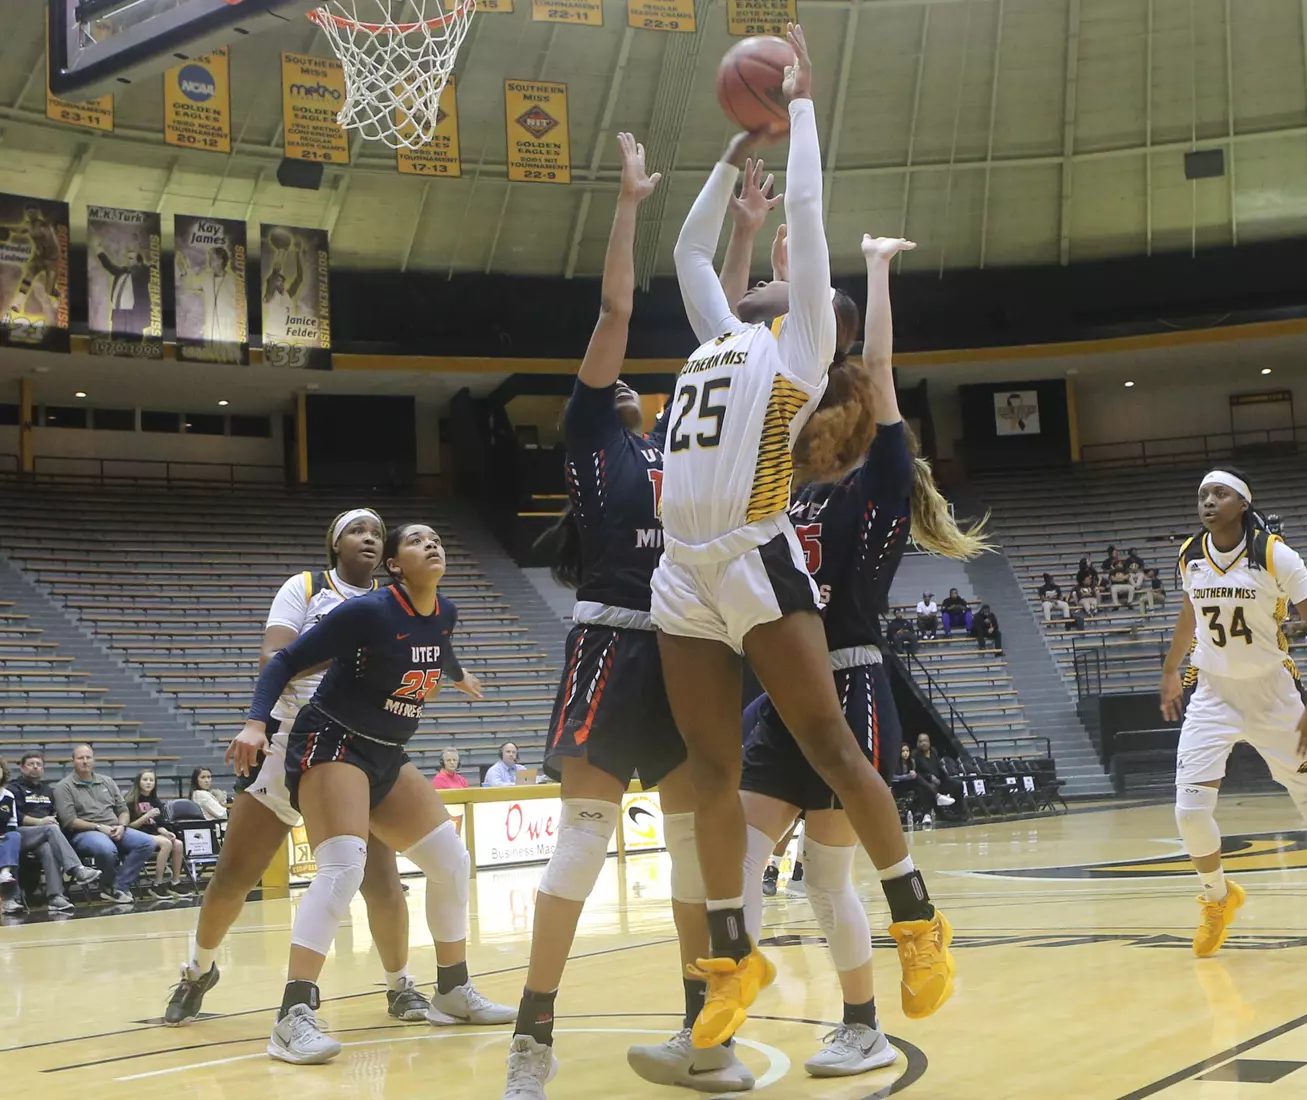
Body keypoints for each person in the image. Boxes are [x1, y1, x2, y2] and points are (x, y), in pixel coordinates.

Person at [652, 24, 952, 1053]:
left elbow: (813, 221)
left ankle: (916, 916)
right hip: (680, 574)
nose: (785, 290)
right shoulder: (719, 337)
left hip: (748, 554)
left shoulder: (798, 353)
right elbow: (690, 251)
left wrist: (806, 110)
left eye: (796, 289)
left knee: (827, 741)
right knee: (707, 769)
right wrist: (736, 151)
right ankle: (733, 955)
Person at [505, 134, 752, 1098]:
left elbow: (724, 332)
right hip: (613, 638)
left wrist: (739, 230)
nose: (635, 382)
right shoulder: (590, 433)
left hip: (691, 643)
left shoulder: (684, 451)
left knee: (697, 848)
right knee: (582, 839)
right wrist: (628, 205)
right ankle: (534, 1035)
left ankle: (703, 1033)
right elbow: (615, 305)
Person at [225, 523, 513, 1065]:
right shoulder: (368, 611)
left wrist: (458, 675)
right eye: (417, 541)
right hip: (333, 739)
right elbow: (285, 662)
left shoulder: (444, 611)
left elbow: (438, 646)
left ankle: (451, 991)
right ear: (396, 565)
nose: (433, 544)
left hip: (386, 751)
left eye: (437, 538)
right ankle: (293, 1016)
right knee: (343, 865)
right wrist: (255, 724)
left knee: (452, 861)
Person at [163, 509, 426, 1028]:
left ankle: (400, 985)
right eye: (357, 531)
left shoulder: (393, 604)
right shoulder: (306, 587)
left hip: (353, 747)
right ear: (335, 544)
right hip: (289, 744)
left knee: (382, 880)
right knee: (233, 877)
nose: (369, 539)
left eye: (376, 533)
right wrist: (347, 648)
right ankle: (198, 969)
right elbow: (274, 657)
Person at [1159, 468, 1307, 959]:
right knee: (1189, 811)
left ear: (1242, 503)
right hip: (1213, 694)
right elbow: (1189, 613)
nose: (1208, 501)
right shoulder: (1190, 555)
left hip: (1272, 694)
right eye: (1202, 494)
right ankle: (1218, 899)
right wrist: (1171, 668)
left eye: (1219, 493)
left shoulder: (1275, 554)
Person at [54, 743, 157, 904]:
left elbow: (123, 810)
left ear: (94, 760)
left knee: (147, 842)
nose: (85, 761)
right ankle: (108, 887)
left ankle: (119, 885)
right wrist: (98, 827)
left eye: (88, 757)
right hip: (85, 832)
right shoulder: (63, 787)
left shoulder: (107, 781)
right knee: (106, 848)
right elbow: (69, 821)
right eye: (81, 758)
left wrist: (122, 826)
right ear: (73, 761)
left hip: (115, 828)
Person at [4, 750, 103, 911]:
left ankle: (56, 897)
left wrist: (52, 819)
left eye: (38, 764)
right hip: (20, 834)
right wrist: (40, 822)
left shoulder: (48, 790)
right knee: (51, 829)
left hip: (43, 836)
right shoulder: (14, 789)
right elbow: (16, 816)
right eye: (30, 764)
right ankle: (77, 869)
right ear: (22, 768)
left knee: (48, 848)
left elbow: (54, 813)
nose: (35, 767)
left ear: (43, 769)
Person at [127, 769, 187, 899]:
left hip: (154, 834)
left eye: (151, 780)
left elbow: (159, 824)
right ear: (138, 782)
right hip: (136, 834)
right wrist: (146, 816)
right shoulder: (130, 801)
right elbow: (129, 826)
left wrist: (166, 832)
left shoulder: (155, 801)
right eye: (145, 780)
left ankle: (175, 882)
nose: (148, 783)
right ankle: (157, 884)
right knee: (166, 844)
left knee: (178, 844)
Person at [1, 763, 22, 915]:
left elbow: (9, 823)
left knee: (13, 837)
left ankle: (5, 873)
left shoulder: (8, 796)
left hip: (3, 836)